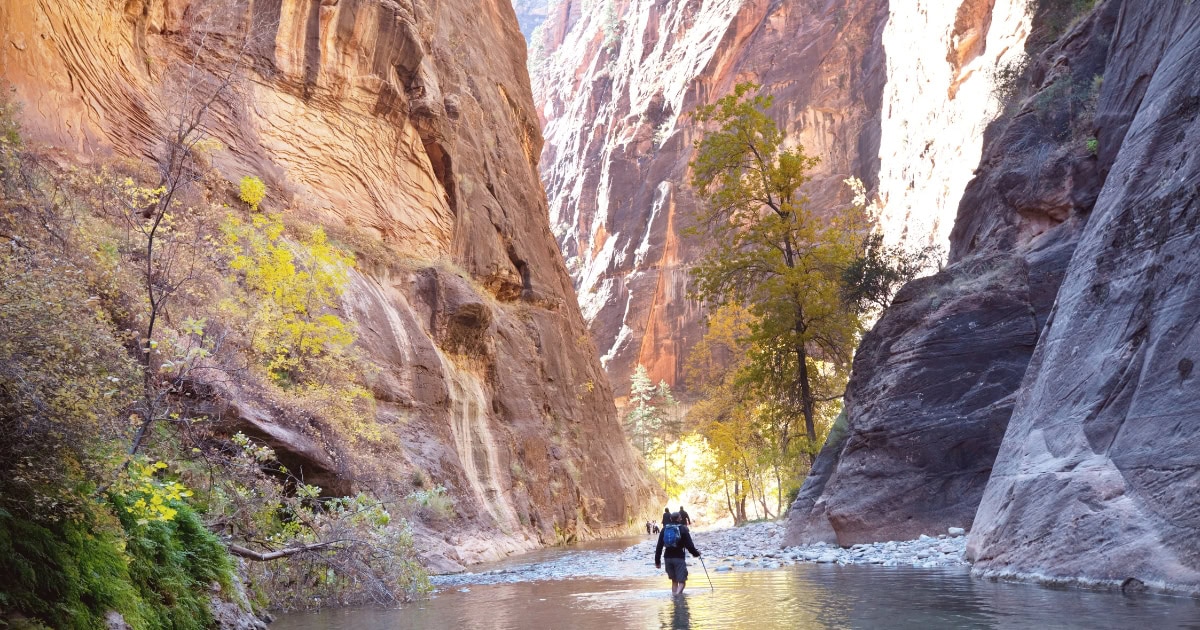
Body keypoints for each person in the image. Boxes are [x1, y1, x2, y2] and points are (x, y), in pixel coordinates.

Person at [655, 513, 701, 595]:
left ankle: (674, 598)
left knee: (674, 581)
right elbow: (689, 545)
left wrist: (657, 561)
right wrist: (696, 553)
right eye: (680, 517)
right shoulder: (683, 529)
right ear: (679, 518)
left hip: (667, 558)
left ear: (670, 518)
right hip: (678, 558)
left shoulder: (664, 529)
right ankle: (677, 598)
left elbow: (659, 546)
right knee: (682, 582)